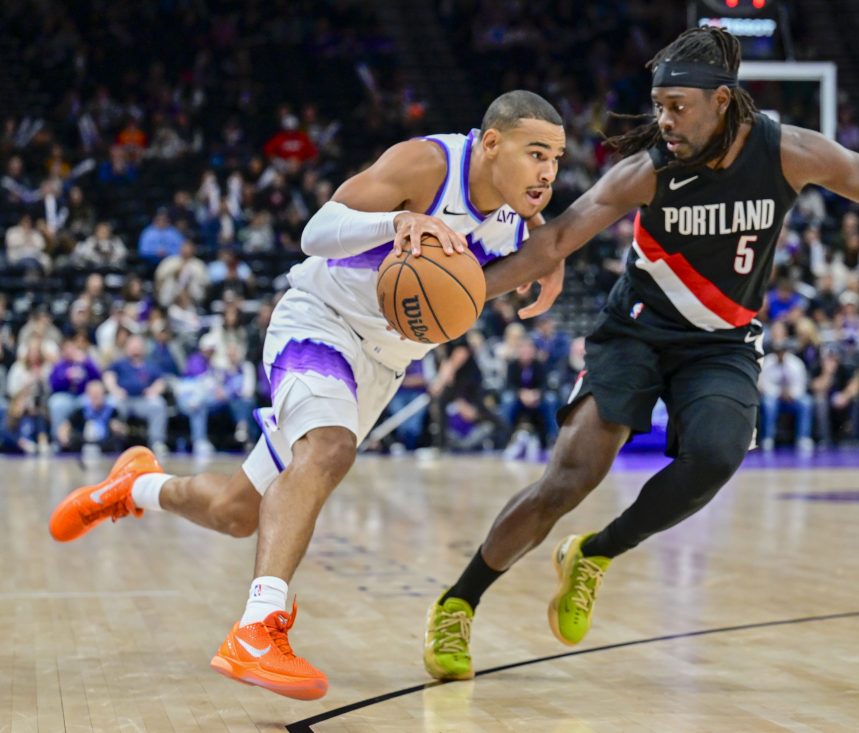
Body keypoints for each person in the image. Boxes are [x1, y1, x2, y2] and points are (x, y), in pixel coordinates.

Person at [421, 27, 859, 682]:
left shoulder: (789, 152)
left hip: (721, 342)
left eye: (677, 107)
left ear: (722, 100)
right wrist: (469, 291)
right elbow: (557, 238)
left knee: (715, 455)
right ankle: (460, 600)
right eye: (658, 106)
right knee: (567, 482)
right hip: (636, 331)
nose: (664, 120)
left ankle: (595, 555)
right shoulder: (648, 169)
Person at [48, 90, 567, 700]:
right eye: (536, 153)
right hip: (321, 323)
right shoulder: (426, 165)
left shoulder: (518, 212)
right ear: (492, 144)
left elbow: (550, 230)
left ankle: (133, 486)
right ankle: (257, 629)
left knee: (239, 513)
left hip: (383, 367)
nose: (549, 171)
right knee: (327, 449)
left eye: (556, 157)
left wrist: (545, 252)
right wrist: (396, 222)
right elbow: (315, 231)